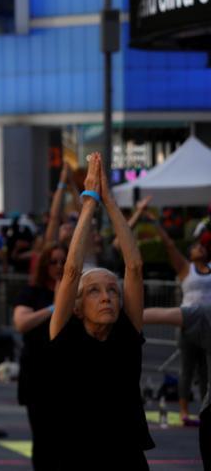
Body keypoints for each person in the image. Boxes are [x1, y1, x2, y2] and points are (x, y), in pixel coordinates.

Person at [47, 152, 152, 469]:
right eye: (94, 291)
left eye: (112, 291)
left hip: (127, 456)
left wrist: (110, 202)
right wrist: (90, 201)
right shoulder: (65, 335)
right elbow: (70, 272)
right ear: (77, 308)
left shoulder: (127, 334)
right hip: (78, 456)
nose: (107, 297)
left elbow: (133, 267)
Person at [149, 197, 211, 424]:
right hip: (186, 320)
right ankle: (184, 412)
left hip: (208, 323)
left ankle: (205, 410)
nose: (198, 248)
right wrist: (154, 222)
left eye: (201, 246)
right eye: (195, 247)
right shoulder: (186, 269)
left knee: (206, 371)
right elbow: (169, 245)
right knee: (187, 367)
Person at [13, 240, 65, 470]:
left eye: (63, 261)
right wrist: (53, 308)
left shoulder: (76, 294)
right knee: (42, 438)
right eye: (54, 262)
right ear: (45, 264)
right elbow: (21, 323)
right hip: (37, 373)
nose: (59, 266)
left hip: (66, 373)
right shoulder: (32, 292)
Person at [143, 304, 211, 469]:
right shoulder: (205, 313)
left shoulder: (204, 313)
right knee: (188, 373)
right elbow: (160, 314)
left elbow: (159, 315)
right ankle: (184, 411)